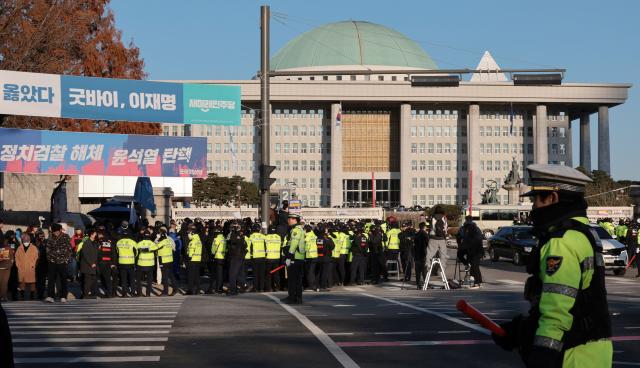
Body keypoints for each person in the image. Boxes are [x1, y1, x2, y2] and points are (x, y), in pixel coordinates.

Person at [492, 164, 612, 367]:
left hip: (571, 356)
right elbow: (580, 301)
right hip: (592, 353)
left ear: (553, 198)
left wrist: (542, 355)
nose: (533, 207)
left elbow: (556, 312)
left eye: (536, 199)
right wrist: (524, 330)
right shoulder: (584, 234)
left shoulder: (560, 242)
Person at [45, 223, 72, 303]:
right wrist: (49, 259)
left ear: (60, 230)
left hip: (62, 261)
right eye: (54, 231)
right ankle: (50, 296)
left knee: (63, 279)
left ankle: (63, 296)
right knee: (51, 279)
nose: (55, 233)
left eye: (56, 231)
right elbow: (48, 249)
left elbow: (69, 249)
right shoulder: (50, 237)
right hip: (52, 261)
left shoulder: (65, 237)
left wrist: (66, 259)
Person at [282, 213, 305, 304]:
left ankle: (292, 298)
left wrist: (289, 257)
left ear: (295, 220)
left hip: (295, 257)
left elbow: (294, 244)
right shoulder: (295, 229)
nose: (288, 220)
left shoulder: (296, 230)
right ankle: (297, 298)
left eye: (290, 219)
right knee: (297, 279)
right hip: (297, 257)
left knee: (293, 279)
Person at [459, 216, 484, 288]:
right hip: (477, 248)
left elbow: (460, 236)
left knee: (473, 264)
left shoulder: (464, 227)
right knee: (475, 265)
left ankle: (467, 264)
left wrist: (460, 245)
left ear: (466, 220)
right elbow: (480, 238)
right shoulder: (477, 228)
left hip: (470, 247)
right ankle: (477, 280)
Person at [426, 206, 449, 277]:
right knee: (443, 256)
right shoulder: (444, 218)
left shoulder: (432, 217)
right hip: (442, 239)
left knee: (429, 254)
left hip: (433, 238)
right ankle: (442, 271)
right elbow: (445, 228)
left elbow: (431, 227)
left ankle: (428, 268)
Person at [15, 234, 38, 300]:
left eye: (27, 241)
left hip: (30, 268)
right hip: (21, 267)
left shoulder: (34, 248)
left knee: (32, 282)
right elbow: (16, 257)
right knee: (22, 282)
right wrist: (18, 265)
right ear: (22, 241)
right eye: (24, 241)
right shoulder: (19, 248)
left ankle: (32, 295)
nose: (26, 242)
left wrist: (33, 264)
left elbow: (36, 257)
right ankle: (22, 295)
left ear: (29, 240)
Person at [135, 231, 159, 297]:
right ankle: (148, 293)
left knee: (139, 280)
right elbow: (156, 248)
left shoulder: (139, 243)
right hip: (150, 264)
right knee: (149, 280)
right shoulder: (152, 243)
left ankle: (139, 293)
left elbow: (136, 253)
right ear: (149, 236)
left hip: (141, 264)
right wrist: (149, 249)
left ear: (143, 236)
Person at [226, 222, 246, 296]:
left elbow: (232, 241)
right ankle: (242, 285)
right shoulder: (241, 235)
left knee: (232, 274)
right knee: (236, 274)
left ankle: (233, 290)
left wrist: (232, 234)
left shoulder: (235, 235)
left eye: (233, 227)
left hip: (235, 256)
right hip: (239, 256)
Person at [157, 228, 178, 296]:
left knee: (165, 277)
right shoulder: (169, 239)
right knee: (171, 275)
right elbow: (174, 248)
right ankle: (175, 288)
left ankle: (165, 292)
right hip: (170, 260)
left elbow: (154, 247)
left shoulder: (161, 241)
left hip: (163, 260)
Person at [96, 229, 117, 298]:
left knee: (101, 279)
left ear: (101, 235)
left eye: (98, 234)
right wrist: (113, 263)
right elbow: (113, 253)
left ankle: (106, 293)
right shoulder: (110, 242)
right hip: (109, 262)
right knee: (108, 278)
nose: (97, 236)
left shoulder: (99, 242)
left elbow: (98, 253)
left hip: (101, 262)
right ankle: (109, 293)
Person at [116, 234, 137, 298]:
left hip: (121, 263)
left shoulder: (118, 242)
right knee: (132, 279)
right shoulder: (132, 242)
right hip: (130, 263)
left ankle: (124, 294)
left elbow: (117, 251)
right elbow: (136, 252)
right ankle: (133, 293)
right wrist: (134, 257)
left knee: (123, 279)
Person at [79, 229, 98, 299]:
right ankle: (85, 295)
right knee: (87, 281)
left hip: (93, 265)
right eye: (95, 234)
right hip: (87, 265)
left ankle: (91, 294)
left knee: (92, 280)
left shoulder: (95, 243)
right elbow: (85, 254)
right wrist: (91, 263)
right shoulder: (86, 243)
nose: (96, 235)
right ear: (92, 235)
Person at [249, 224, 267, 292]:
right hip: (262, 257)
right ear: (259, 229)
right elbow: (266, 246)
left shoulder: (251, 237)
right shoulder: (263, 236)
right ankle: (261, 288)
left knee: (255, 274)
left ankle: (256, 288)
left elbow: (249, 247)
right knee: (262, 274)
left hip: (255, 257)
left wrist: (251, 256)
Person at [186, 224, 203, 295]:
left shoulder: (193, 241)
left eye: (189, 232)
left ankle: (190, 290)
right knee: (196, 275)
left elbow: (191, 250)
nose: (188, 234)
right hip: (198, 259)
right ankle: (198, 289)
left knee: (191, 276)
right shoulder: (199, 240)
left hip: (192, 260)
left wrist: (189, 257)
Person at [317, 225, 335, 291]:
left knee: (319, 272)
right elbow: (332, 246)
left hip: (319, 257)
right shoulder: (328, 239)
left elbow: (319, 248)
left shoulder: (318, 238)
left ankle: (318, 285)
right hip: (326, 257)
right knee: (325, 272)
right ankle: (323, 286)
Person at [265, 227, 282, 292]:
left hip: (269, 257)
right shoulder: (278, 237)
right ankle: (277, 287)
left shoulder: (267, 237)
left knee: (268, 274)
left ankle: (269, 288)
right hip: (277, 257)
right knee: (276, 273)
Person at [303, 225, 318, 291]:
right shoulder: (313, 235)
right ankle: (313, 285)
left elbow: (306, 246)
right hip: (314, 255)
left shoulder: (307, 236)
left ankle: (311, 286)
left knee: (309, 272)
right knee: (312, 272)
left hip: (309, 255)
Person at [414, 222, 428, 289]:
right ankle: (426, 282)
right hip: (423, 253)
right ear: (424, 227)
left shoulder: (416, 234)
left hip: (417, 254)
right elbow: (427, 243)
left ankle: (418, 284)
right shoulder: (425, 234)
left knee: (418, 270)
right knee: (424, 269)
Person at [0, 237, 15, 302]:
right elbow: (11, 259)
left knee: (3, 283)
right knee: (4, 283)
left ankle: (3, 296)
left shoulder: (4, 248)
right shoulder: (8, 248)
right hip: (6, 268)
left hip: (4, 267)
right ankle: (3, 296)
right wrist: (10, 265)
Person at [33, 230, 48, 300]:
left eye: (42, 235)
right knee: (37, 280)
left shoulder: (46, 242)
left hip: (44, 264)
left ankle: (40, 294)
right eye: (40, 235)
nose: (41, 237)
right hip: (35, 264)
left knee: (42, 280)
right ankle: (38, 292)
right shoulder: (34, 243)